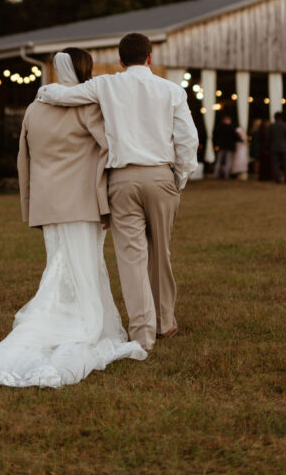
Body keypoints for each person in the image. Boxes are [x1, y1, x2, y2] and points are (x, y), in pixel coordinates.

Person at [0, 47, 146, 390]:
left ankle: (67, 316)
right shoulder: (88, 106)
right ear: (85, 69)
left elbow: (24, 159)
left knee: (62, 263)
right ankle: (80, 323)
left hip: (49, 204)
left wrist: (30, 203)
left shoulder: (35, 107)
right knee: (85, 265)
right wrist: (107, 200)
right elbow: (110, 150)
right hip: (82, 204)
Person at [37, 32, 199, 351]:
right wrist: (179, 179)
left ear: (121, 61)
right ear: (150, 58)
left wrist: (43, 89)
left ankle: (142, 334)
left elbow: (62, 95)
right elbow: (187, 141)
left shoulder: (107, 84)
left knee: (131, 257)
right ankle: (165, 323)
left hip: (123, 180)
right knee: (160, 253)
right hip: (161, 177)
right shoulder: (172, 91)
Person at [268, 111, 286, 184]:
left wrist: (267, 147)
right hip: (284, 147)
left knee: (276, 164)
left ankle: (277, 180)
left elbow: (269, 138)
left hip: (274, 148)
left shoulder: (271, 126)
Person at [213, 113, 238, 179]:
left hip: (221, 146)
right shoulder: (231, 128)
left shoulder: (219, 127)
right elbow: (235, 137)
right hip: (229, 147)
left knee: (219, 160)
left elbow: (215, 136)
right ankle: (226, 175)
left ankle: (216, 174)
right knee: (228, 161)